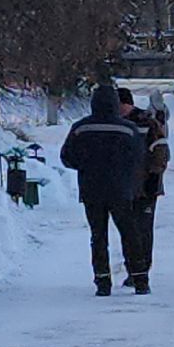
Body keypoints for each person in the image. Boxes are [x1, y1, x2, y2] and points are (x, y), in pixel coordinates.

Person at [59, 80, 148, 296]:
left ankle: (102, 282)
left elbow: (67, 157)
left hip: (91, 190)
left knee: (98, 236)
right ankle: (140, 280)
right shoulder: (127, 129)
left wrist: (85, 167)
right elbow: (139, 157)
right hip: (121, 190)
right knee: (130, 234)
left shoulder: (80, 128)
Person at [115, 86, 170, 293]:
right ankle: (133, 269)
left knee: (143, 230)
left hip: (147, 186)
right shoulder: (117, 124)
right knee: (128, 230)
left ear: (127, 103)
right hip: (124, 186)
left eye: (120, 105)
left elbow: (161, 151)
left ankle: (142, 270)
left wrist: (153, 176)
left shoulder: (147, 122)